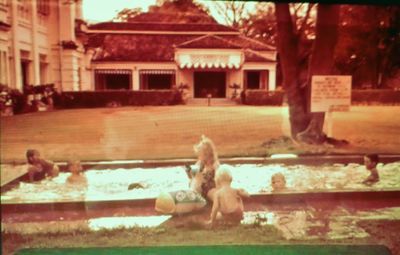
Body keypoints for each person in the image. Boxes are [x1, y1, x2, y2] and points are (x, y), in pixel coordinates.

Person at [185, 135, 220, 201]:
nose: (199, 157)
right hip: (200, 189)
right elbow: (192, 176)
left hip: (210, 189)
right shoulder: (200, 163)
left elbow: (218, 179)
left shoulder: (214, 165)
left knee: (215, 194)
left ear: (207, 154)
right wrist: (189, 172)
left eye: (201, 155)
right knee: (192, 183)